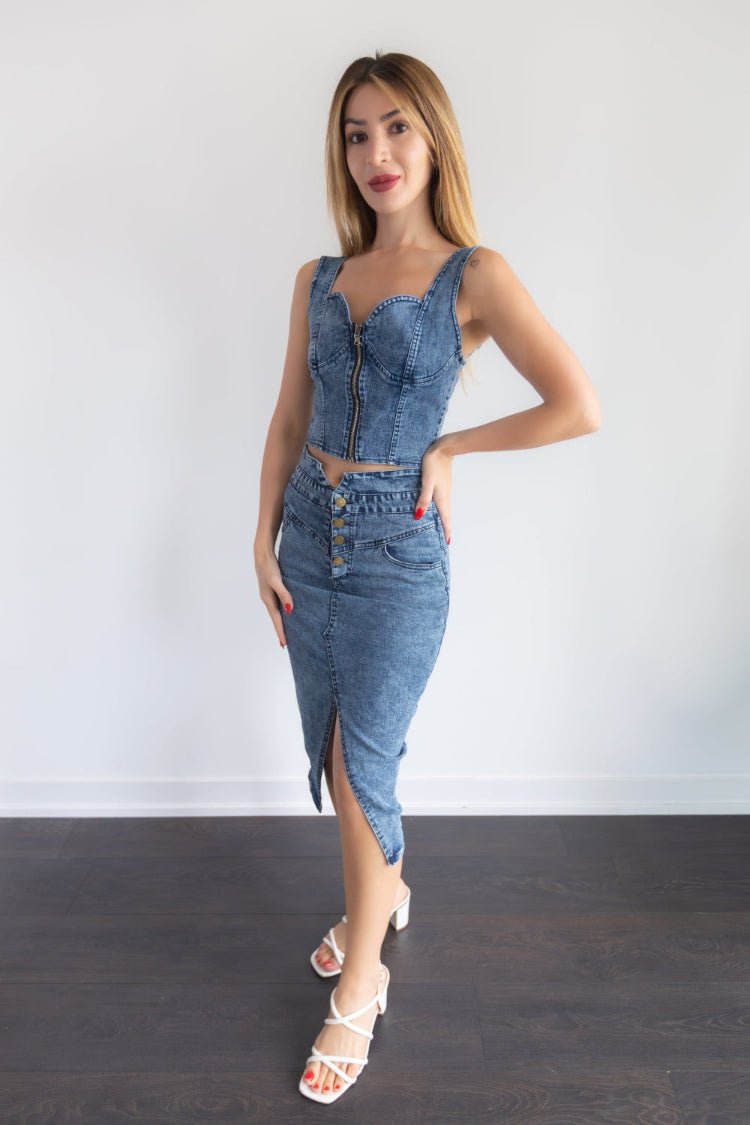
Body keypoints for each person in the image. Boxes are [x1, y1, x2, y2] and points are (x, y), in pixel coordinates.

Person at [253, 51, 601, 1105]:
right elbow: (286, 422)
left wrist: (448, 451)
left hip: (400, 553)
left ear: (434, 137)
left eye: (396, 128)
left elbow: (575, 403)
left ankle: (361, 985)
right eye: (356, 134)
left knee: (364, 767)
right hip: (310, 537)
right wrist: (259, 540)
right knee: (330, 744)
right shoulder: (318, 280)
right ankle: (384, 891)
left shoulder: (474, 275)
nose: (376, 153)